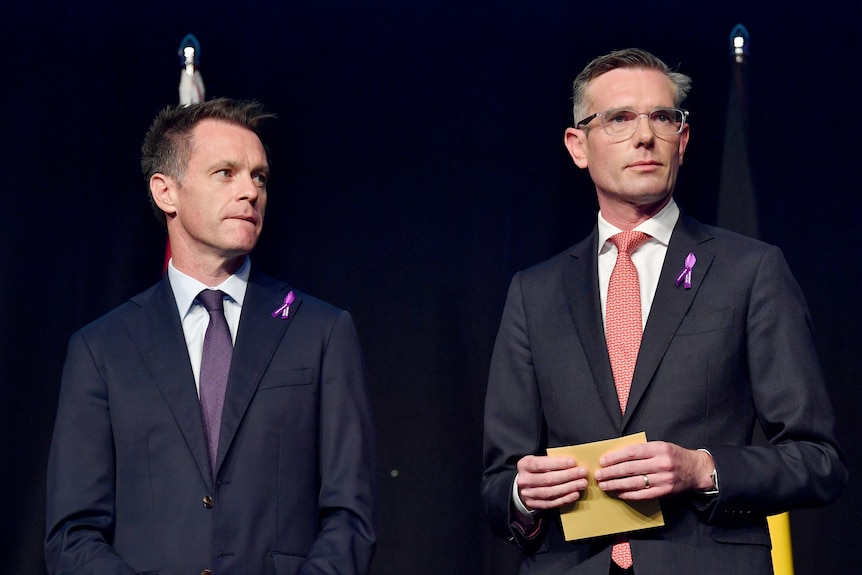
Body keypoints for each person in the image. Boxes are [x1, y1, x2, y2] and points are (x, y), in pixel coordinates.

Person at [481, 48, 847, 575]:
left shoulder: (751, 270)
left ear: (684, 139)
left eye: (663, 117)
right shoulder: (534, 293)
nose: (645, 135)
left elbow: (820, 462)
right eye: (620, 118)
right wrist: (523, 493)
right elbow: (497, 484)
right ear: (577, 145)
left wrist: (703, 468)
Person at [45, 98, 377, 575]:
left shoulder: (321, 332)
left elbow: (351, 515)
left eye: (259, 177)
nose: (250, 191)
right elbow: (72, 533)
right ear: (166, 193)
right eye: (226, 173)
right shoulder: (101, 349)